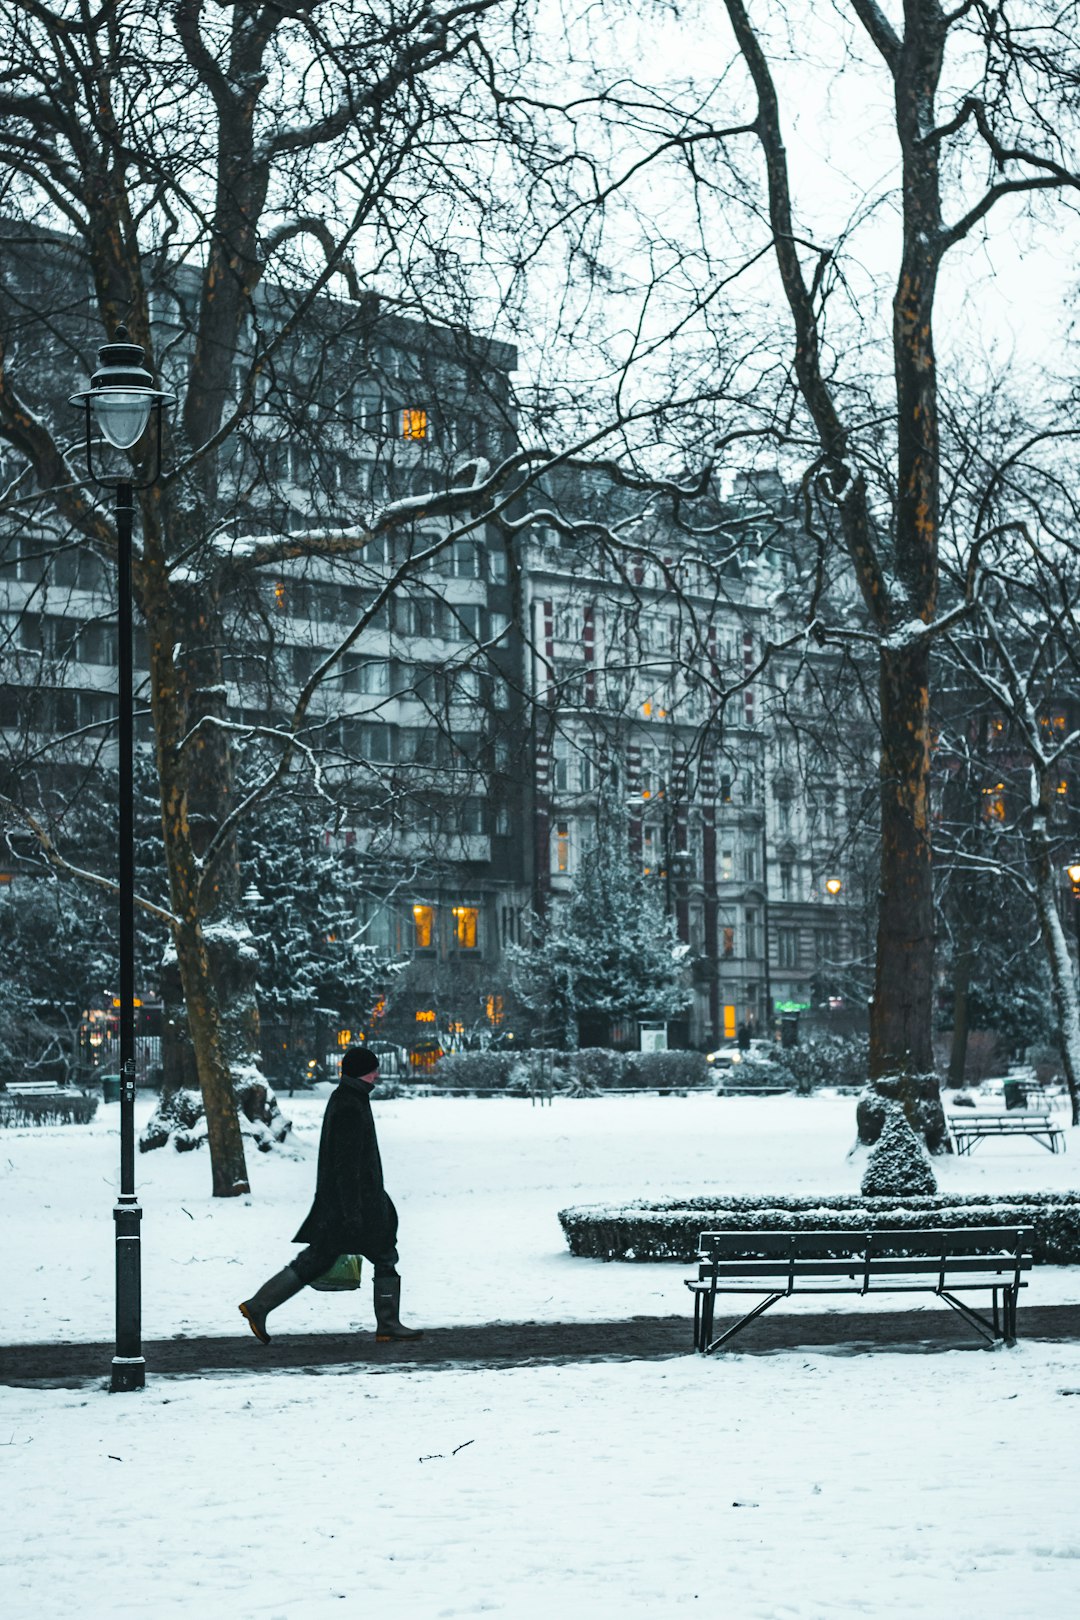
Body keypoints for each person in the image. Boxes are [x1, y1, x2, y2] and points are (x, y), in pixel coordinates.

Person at [239, 1046, 422, 1345]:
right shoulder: (350, 1104)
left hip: (350, 1202)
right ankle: (388, 1324)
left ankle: (258, 1306)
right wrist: (353, 1211)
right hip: (353, 1204)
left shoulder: (350, 1098)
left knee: (322, 1259)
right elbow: (347, 1165)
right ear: (361, 1072)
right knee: (371, 1255)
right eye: (372, 1069)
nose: (377, 1073)